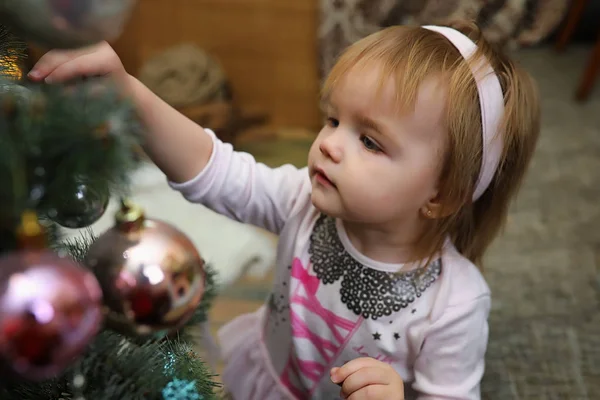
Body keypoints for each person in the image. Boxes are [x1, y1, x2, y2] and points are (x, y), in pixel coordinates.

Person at [28, 21, 540, 400]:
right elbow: (214, 168)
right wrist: (128, 91)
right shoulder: (303, 201)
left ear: (441, 195)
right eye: (333, 119)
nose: (330, 145)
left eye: (369, 140)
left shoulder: (456, 304)